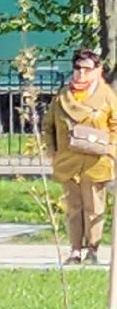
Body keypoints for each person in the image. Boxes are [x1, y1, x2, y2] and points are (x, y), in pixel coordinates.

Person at [43, 49, 117, 265]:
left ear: (98, 71)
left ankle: (92, 250)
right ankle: (75, 250)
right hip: (68, 161)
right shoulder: (63, 95)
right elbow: (48, 126)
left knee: (94, 208)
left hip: (97, 161)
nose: (81, 74)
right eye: (77, 68)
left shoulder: (107, 96)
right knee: (74, 209)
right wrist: (52, 152)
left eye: (87, 69)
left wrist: (111, 151)